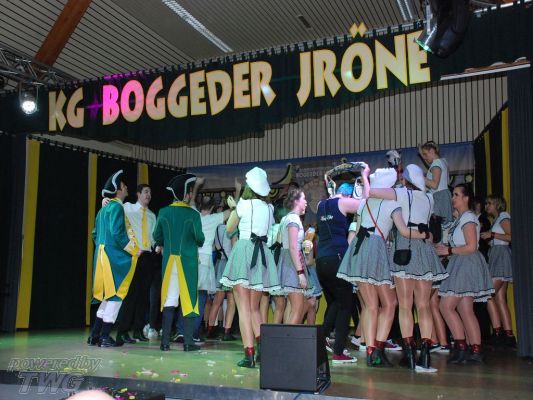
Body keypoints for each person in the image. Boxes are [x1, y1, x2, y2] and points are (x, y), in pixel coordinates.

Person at [337, 168, 427, 367]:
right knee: (390, 303)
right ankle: (378, 348)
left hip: (359, 250)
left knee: (370, 306)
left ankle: (371, 352)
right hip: (377, 249)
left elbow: (357, 231)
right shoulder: (392, 205)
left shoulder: (363, 204)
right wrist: (424, 235)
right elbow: (404, 231)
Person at [366, 164, 447, 371]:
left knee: (405, 305)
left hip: (405, 247)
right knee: (424, 305)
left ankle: (410, 354)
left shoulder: (402, 194)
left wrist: (365, 176)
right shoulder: (430, 198)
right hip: (425, 249)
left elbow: (371, 192)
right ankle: (425, 355)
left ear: (406, 180)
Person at [220, 167, 281, 368]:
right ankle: (264, 349)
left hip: (244, 251)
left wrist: (234, 208)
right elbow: (270, 232)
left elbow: (229, 229)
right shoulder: (270, 208)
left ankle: (249, 354)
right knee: (254, 308)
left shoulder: (243, 205)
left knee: (244, 308)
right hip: (262, 254)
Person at [436, 184, 494, 363]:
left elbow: (471, 246)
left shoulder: (468, 217)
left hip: (466, 263)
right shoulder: (463, 218)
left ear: (466, 198)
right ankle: (474, 349)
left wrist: (449, 250)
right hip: (461, 262)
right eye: (453, 195)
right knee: (465, 309)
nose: (453, 198)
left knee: (446, 306)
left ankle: (461, 346)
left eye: (456, 195)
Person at [316, 168, 369, 364]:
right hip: (337, 258)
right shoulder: (344, 202)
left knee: (336, 302)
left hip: (322, 260)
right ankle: (338, 352)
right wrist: (365, 177)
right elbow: (366, 203)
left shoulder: (321, 205)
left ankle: (321, 339)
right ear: (348, 195)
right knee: (346, 306)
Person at [87, 170, 140, 348]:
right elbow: (118, 234)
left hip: (101, 256)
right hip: (112, 257)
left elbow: (95, 234)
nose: (126, 188)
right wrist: (134, 250)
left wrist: (103, 246)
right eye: (124, 186)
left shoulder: (103, 210)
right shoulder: (116, 207)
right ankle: (104, 337)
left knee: (107, 296)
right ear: (118, 190)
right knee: (116, 295)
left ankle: (94, 335)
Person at [153, 173, 205, 352]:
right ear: (187, 194)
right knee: (188, 300)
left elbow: (156, 236)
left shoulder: (163, 212)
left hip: (169, 263)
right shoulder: (193, 214)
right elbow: (200, 238)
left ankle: (164, 343)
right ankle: (188, 343)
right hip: (187, 262)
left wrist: (164, 243)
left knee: (170, 299)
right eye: (190, 192)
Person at [114, 184, 158, 345]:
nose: (148, 195)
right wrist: (106, 200)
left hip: (148, 256)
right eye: (146, 192)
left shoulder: (152, 215)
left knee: (144, 297)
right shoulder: (128, 207)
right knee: (130, 295)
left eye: (150, 192)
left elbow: (152, 237)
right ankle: (122, 331)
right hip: (133, 256)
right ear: (138, 194)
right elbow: (115, 206)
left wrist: (157, 245)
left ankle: (138, 331)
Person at [480, 195, 516, 347]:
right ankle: (508, 336)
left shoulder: (503, 216)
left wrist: (492, 235)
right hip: (496, 255)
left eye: (489, 203)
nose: (487, 206)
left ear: (497, 204)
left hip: (501, 256)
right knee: (499, 298)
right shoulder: (497, 219)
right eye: (486, 203)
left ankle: (498, 333)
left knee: (488, 294)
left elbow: (512, 236)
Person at [276, 188, 313, 324]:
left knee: (296, 307)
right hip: (292, 265)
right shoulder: (293, 219)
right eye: (304, 199)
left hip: (290, 262)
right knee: (298, 308)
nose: (306, 202)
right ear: (296, 201)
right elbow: (292, 247)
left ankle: (288, 335)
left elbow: (284, 242)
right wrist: (300, 273)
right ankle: (289, 337)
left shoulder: (287, 218)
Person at [419, 141, 453, 236]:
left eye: (425, 154)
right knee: (444, 229)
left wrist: (419, 177)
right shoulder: (442, 161)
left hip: (439, 197)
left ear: (432, 151)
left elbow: (434, 185)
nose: (424, 158)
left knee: (440, 229)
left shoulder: (436, 164)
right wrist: (421, 152)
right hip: (443, 196)